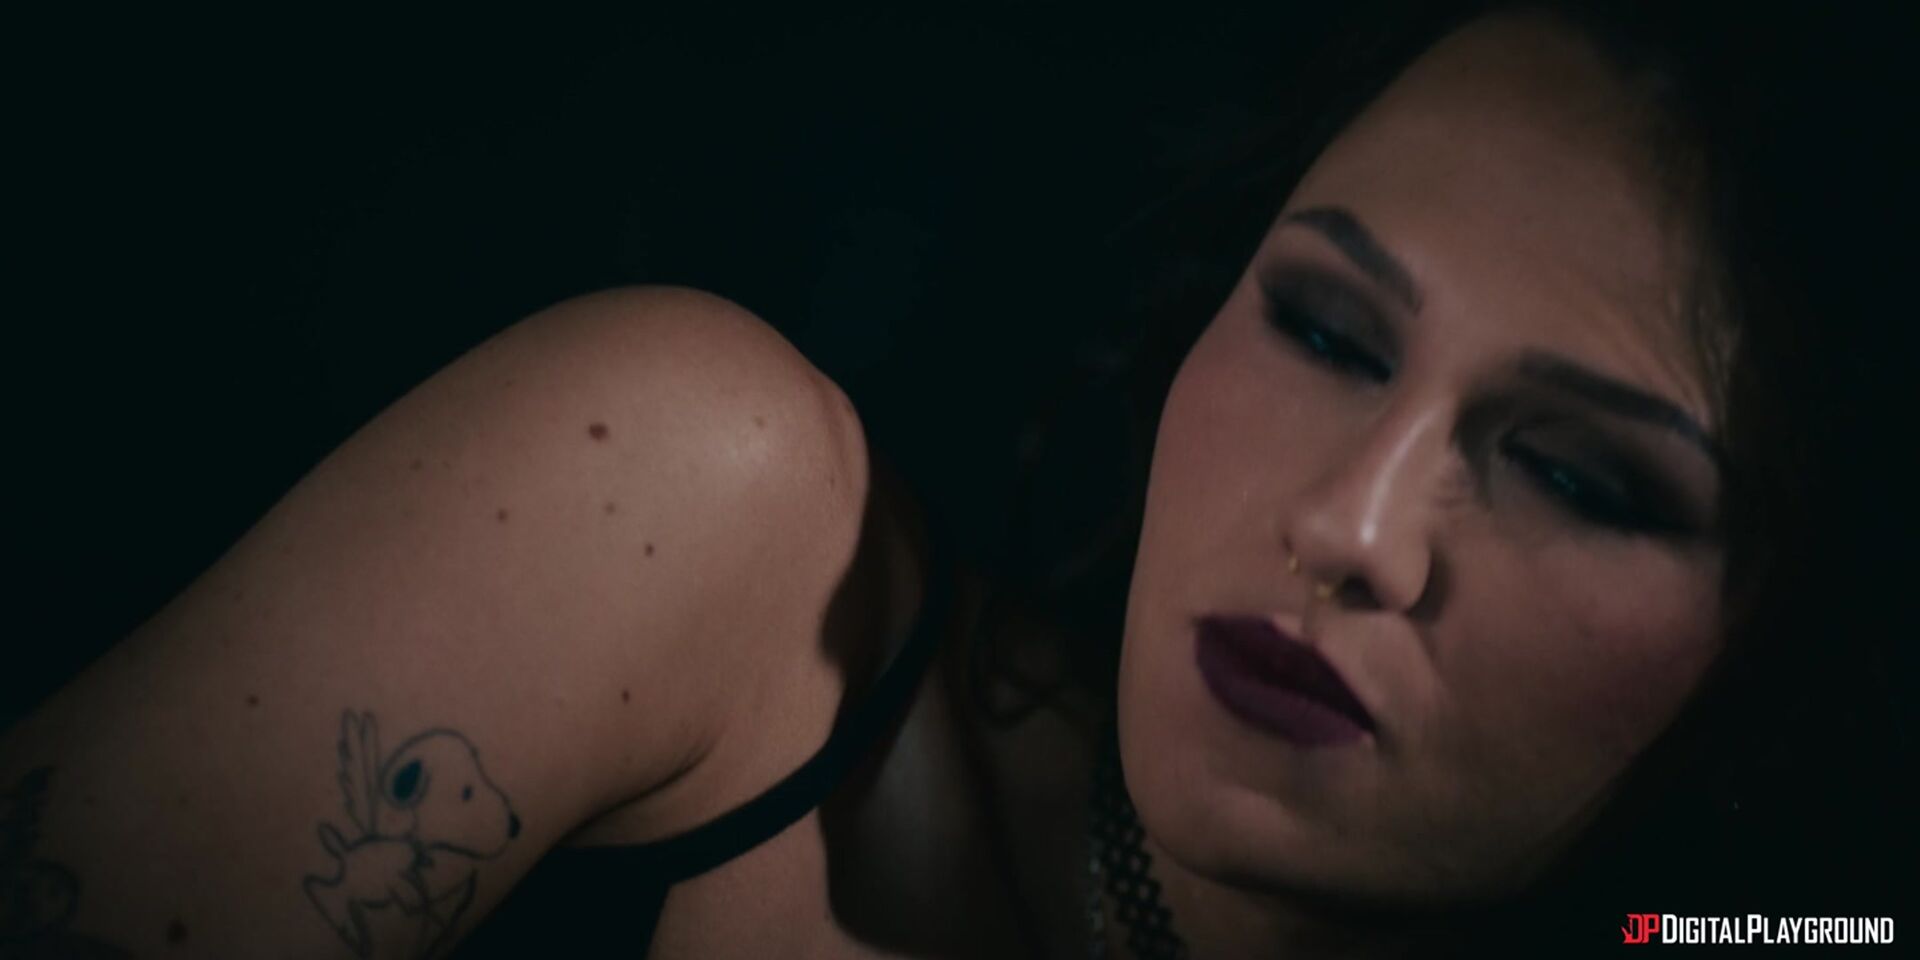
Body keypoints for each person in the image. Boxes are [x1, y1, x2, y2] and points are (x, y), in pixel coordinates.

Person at [1, 1, 1906, 957]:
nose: (1349, 529)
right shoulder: (711, 519)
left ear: (1788, 649)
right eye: (1327, 330)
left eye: (1579, 474)